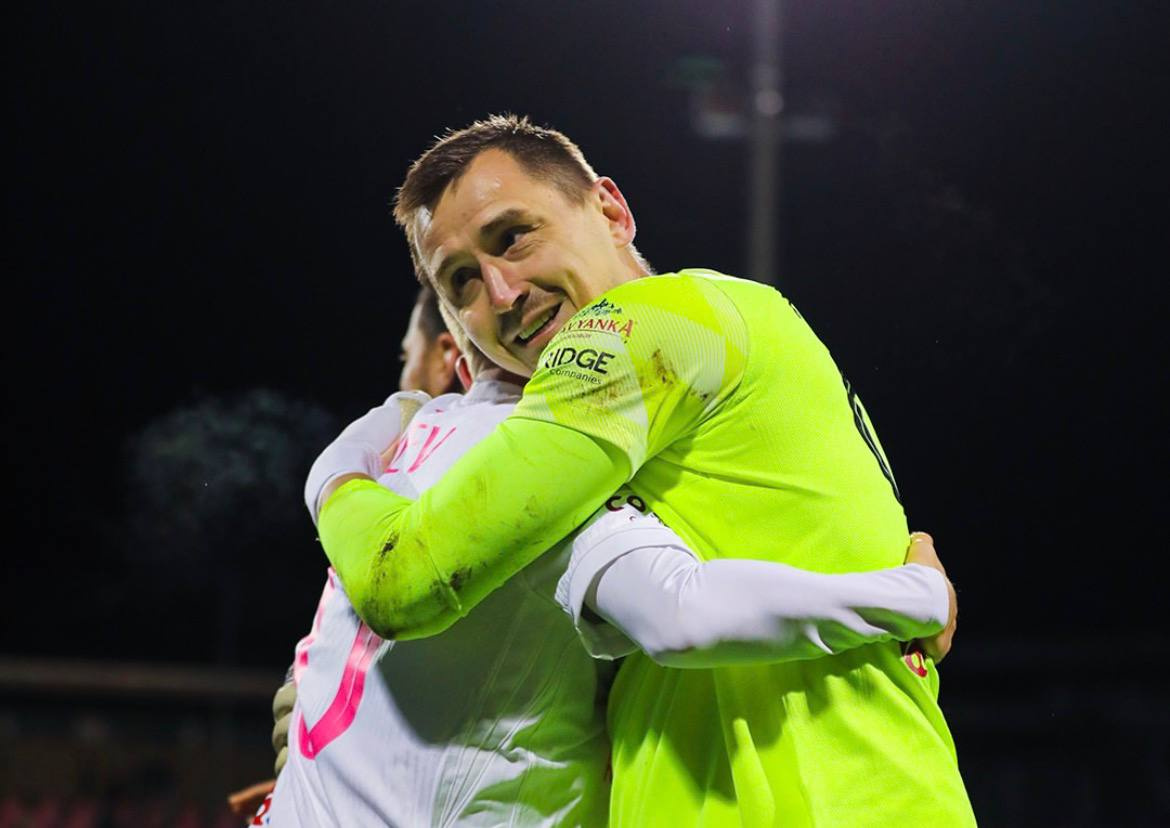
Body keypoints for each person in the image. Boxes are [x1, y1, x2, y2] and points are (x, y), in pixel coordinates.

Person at [307, 115, 975, 825]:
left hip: (813, 803)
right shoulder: (725, 334)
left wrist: (334, 477)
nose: (502, 293)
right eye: (463, 281)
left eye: (515, 236)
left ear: (611, 211)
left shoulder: (643, 329)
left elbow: (403, 577)